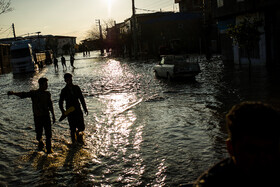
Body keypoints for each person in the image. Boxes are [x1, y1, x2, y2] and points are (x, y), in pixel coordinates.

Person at [193, 101, 280, 187]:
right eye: (252, 150)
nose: (263, 159)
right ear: (230, 148)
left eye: (270, 150)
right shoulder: (211, 182)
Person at [7, 78, 56, 154]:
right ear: (41, 85)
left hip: (46, 117)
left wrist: (53, 115)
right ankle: (40, 143)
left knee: (48, 135)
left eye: (47, 84)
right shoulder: (34, 93)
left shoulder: (47, 94)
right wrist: (13, 93)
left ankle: (49, 150)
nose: (47, 86)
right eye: (45, 84)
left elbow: (50, 105)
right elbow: (23, 94)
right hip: (38, 118)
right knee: (39, 135)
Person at [59, 73, 88, 144]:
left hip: (78, 109)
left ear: (72, 79)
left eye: (70, 78)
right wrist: (63, 111)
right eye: (67, 79)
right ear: (65, 80)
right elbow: (60, 102)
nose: (69, 80)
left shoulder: (76, 88)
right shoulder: (64, 90)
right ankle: (73, 143)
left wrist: (85, 108)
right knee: (72, 128)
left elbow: (81, 98)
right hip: (70, 111)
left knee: (81, 127)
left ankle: (78, 134)